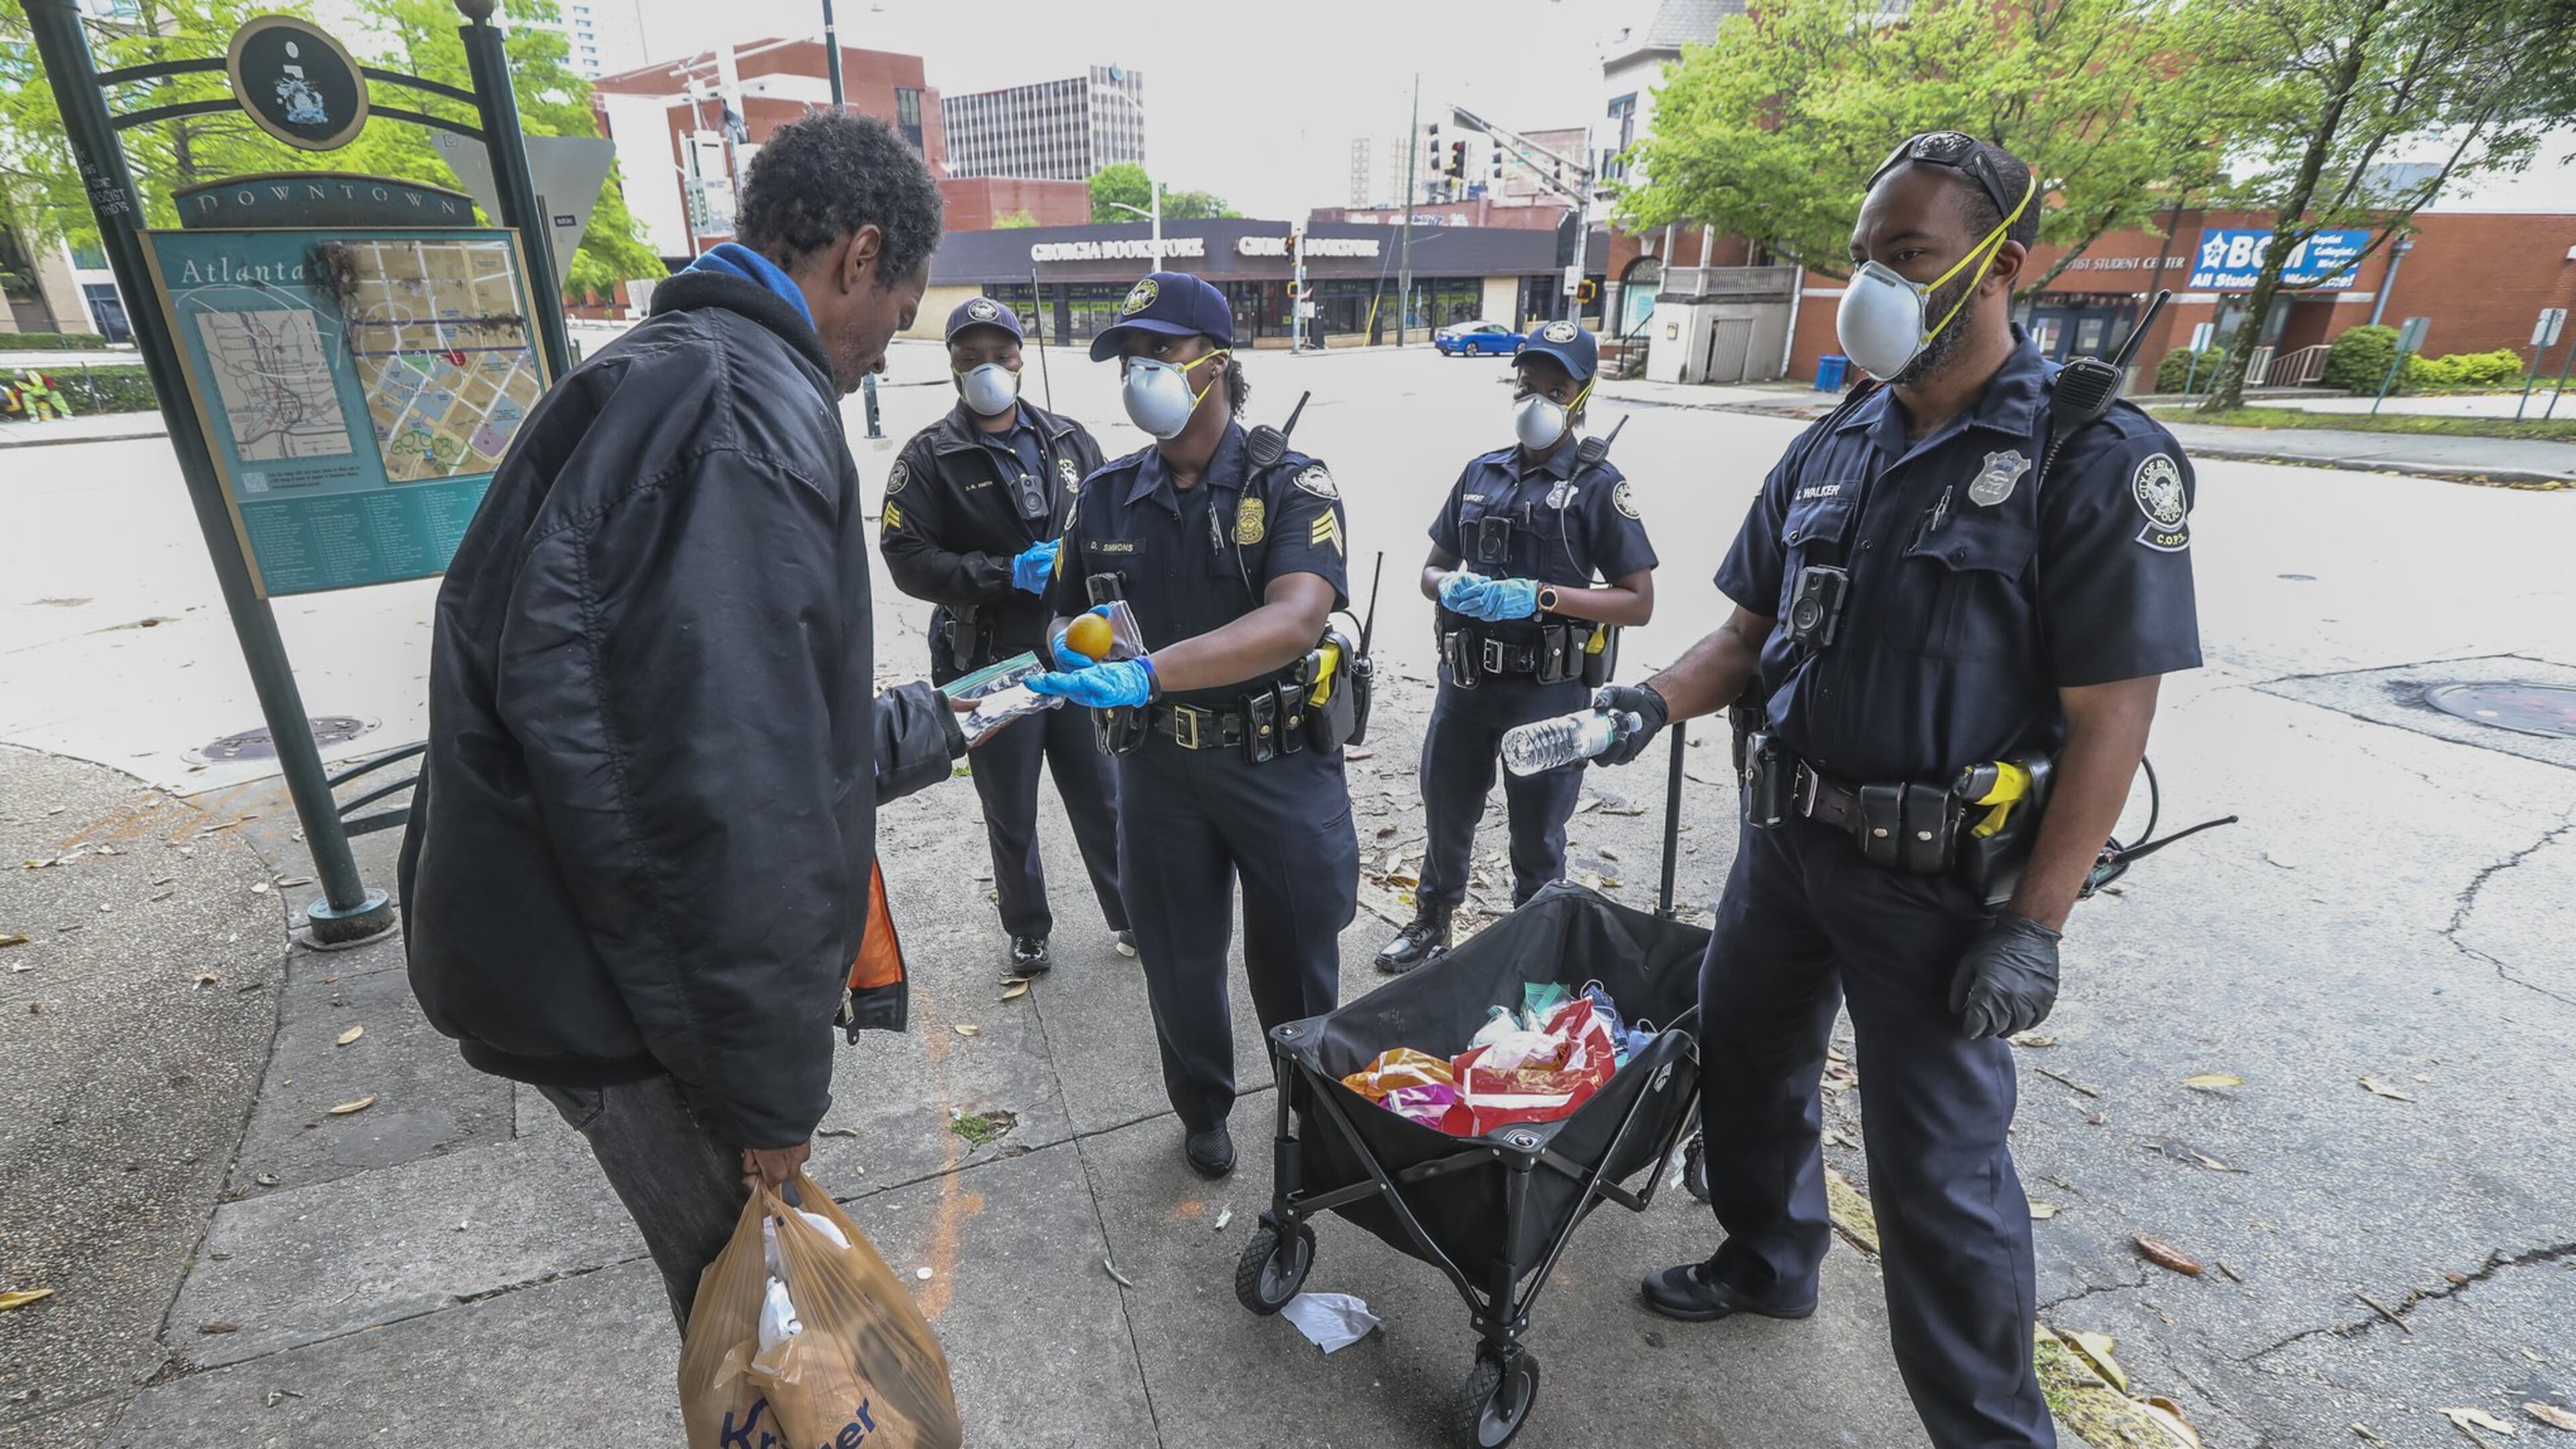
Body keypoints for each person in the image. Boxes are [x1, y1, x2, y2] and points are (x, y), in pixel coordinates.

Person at [1593, 133, 2200, 1448]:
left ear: (2003, 265)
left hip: (1941, 889)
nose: (1877, 281)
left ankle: (1991, 1432)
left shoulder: (2087, 456)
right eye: (1867, 256)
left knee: (1939, 1180)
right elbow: (1746, 635)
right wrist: (1647, 701)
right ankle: (1769, 1259)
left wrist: (2035, 929)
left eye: (1910, 255)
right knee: (1747, 1064)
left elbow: (2114, 716)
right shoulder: (1834, 444)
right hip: (1790, 842)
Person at [400, 112, 958, 1330]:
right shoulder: (737, 416)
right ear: (859, 257)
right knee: (762, 1329)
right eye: (897, 315)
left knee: (750, 1316)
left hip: (575, 958)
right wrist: (768, 1100)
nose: (879, 354)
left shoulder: (680, 373)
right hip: (616, 992)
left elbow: (731, 720)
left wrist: (945, 719)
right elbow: (724, 799)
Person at [1022, 272, 1360, 1177]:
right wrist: (1074, 647)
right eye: (1127, 357)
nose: (1140, 374)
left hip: (1275, 762)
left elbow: (1294, 619)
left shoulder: (1291, 482)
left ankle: (1311, 1117)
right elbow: (1057, 616)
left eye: (1158, 353)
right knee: (1178, 962)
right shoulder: (1101, 496)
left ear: (1216, 362)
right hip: (1159, 771)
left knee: (1294, 966)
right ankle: (1203, 1109)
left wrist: (1149, 672)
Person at [1375, 321, 1656, 973]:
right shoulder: (1481, 472)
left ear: (1582, 395)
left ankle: (1532, 952)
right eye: (1530, 382)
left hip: (1548, 693)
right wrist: (1452, 588)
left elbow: (1637, 601)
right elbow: (1429, 570)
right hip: (1467, 686)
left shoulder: (1597, 486)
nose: (1539, 397)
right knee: (1447, 816)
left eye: (1556, 387)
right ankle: (1430, 925)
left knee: (1537, 837)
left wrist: (1543, 598)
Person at [879, 297, 1131, 977]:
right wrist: (998, 572)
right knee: (1010, 807)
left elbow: (1109, 530)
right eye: (971, 355)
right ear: (953, 363)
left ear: (1021, 357)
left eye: (1001, 353)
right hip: (990, 660)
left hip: (1073, 654)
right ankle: (1027, 929)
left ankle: (1129, 913)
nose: (987, 366)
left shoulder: (1069, 440)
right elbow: (905, 557)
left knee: (1101, 794)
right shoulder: (930, 457)